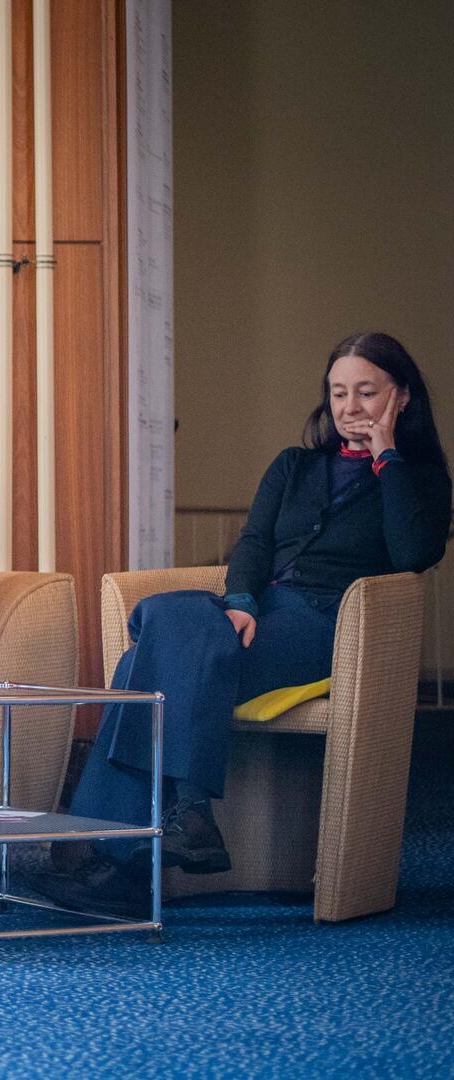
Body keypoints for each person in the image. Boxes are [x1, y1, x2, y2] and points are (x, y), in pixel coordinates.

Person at [38, 331, 451, 915]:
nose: (350, 408)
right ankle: (189, 818)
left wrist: (387, 457)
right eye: (338, 394)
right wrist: (241, 604)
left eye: (366, 393)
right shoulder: (295, 465)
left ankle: (123, 860)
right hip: (260, 612)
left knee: (142, 658)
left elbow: (414, 553)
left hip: (330, 624)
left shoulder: (420, 479)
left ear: (401, 397)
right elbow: (254, 544)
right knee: (168, 620)